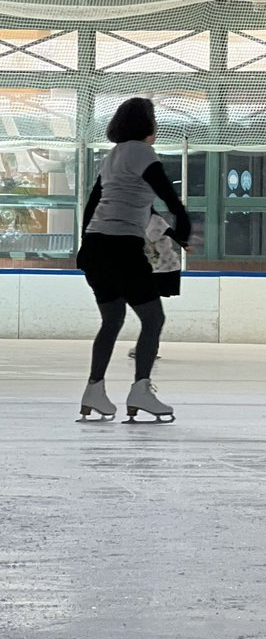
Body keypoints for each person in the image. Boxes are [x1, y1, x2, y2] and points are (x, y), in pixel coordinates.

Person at [76, 98, 190, 423]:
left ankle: (93, 389)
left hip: (97, 246)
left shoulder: (112, 156)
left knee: (112, 320)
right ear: (147, 124)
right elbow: (167, 193)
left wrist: (84, 245)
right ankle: (140, 389)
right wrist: (183, 224)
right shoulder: (141, 151)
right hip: (121, 247)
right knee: (153, 320)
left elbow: (93, 203)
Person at [127, 209, 183, 361]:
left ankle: (147, 347)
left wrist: (184, 243)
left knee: (154, 316)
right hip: (153, 271)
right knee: (153, 316)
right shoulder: (135, 221)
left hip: (160, 271)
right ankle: (146, 347)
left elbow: (169, 232)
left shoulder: (150, 220)